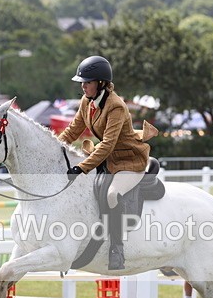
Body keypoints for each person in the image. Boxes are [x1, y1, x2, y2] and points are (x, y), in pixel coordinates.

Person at [57, 55, 157, 270]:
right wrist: (54, 146)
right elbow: (73, 130)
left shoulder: (116, 106)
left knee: (112, 194)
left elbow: (108, 144)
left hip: (128, 160)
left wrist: (82, 167)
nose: (83, 86)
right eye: (82, 82)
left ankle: (117, 249)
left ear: (101, 83)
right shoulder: (87, 102)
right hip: (107, 160)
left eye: (88, 82)